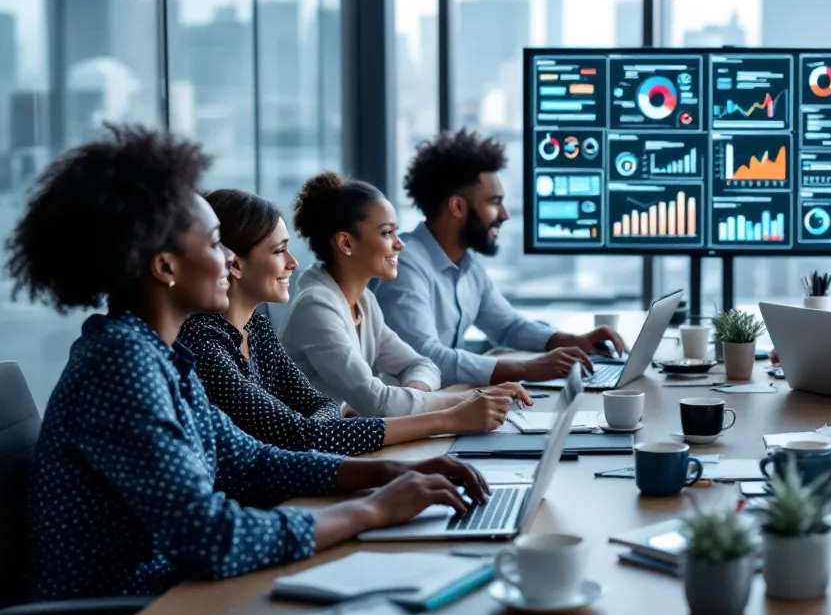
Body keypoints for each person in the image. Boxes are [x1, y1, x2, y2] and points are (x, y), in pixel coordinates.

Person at [10, 127, 492, 615]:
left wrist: (387, 473)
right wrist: (372, 511)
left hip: (177, 598)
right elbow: (212, 538)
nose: (229, 263)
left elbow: (252, 463)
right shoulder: (121, 366)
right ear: (165, 266)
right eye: (216, 244)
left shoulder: (160, 355)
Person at [180, 189, 528, 455]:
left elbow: (322, 407)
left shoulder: (256, 326)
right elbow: (308, 433)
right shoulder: (205, 345)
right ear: (235, 264)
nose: (292, 264)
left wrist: (328, 423)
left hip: (305, 473)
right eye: (277, 251)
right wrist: (451, 416)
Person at [376, 129, 624, 385]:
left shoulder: (467, 266)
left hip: (446, 403)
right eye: (494, 202)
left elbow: (507, 327)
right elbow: (425, 358)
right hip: (405, 416)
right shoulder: (405, 264)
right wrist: (526, 368)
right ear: (457, 207)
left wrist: (573, 341)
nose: (504, 214)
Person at [282, 172, 509, 419]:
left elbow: (423, 365)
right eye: (386, 233)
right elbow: (379, 403)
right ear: (346, 244)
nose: (400, 244)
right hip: (312, 452)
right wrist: (469, 397)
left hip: (348, 440)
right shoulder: (316, 307)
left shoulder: (364, 302)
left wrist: (413, 395)